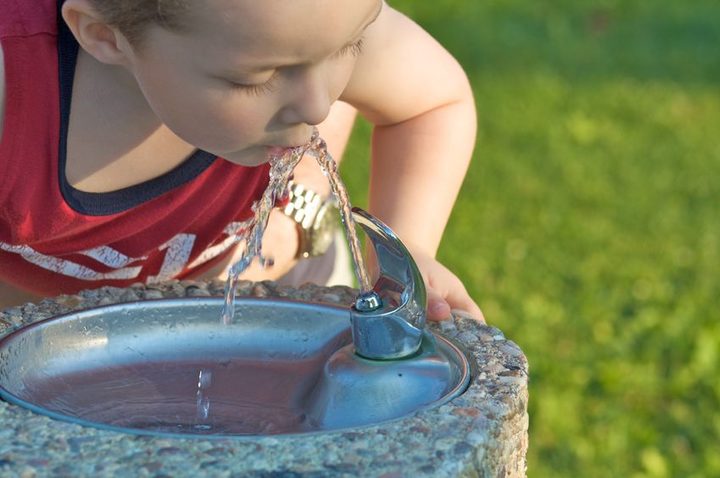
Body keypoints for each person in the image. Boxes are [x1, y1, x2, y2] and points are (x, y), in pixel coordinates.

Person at [0, 0, 484, 321]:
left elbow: (431, 102)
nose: (319, 106)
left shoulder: (287, 26)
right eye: (255, 78)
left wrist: (409, 249)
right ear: (106, 35)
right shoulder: (16, 91)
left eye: (348, 46)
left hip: (282, 274)